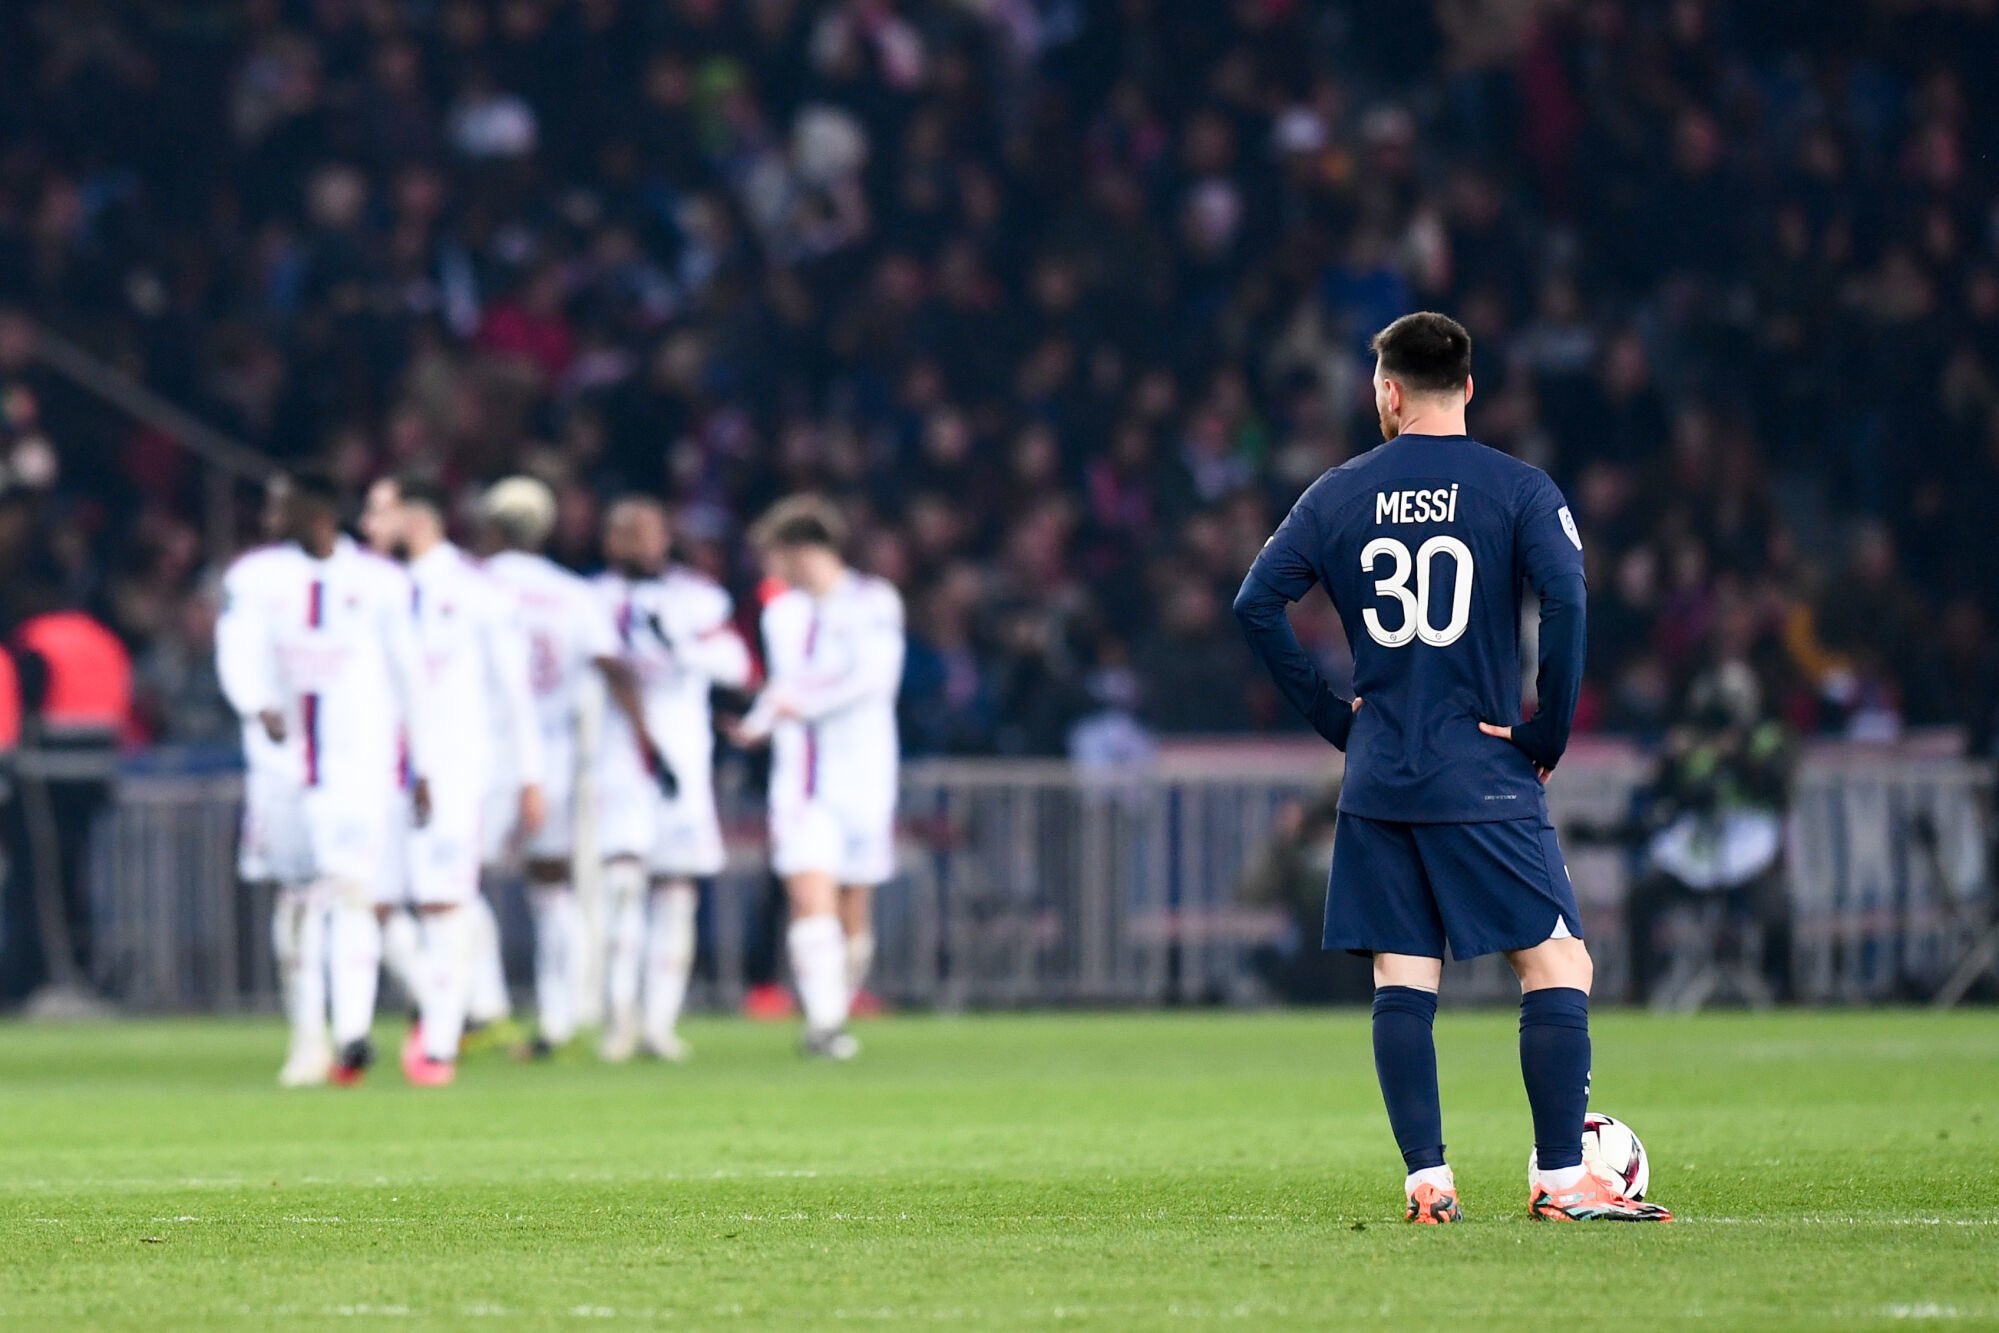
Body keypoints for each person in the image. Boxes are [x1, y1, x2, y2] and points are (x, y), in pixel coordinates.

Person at [1233, 311, 1671, 1223]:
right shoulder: (1518, 488)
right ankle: (1560, 1179)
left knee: (1403, 975)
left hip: (1380, 768)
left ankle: (1427, 1182)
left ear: (1386, 392)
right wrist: (1545, 732)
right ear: (1468, 387)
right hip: (1480, 767)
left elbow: (1255, 603)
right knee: (1557, 962)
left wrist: (1330, 719)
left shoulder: (1336, 491)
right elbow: (1565, 599)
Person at [215, 470, 436, 1087]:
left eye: (283, 502)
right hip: (280, 769)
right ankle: (307, 1037)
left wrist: (423, 762)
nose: (269, 513)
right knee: (295, 901)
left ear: (317, 511)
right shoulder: (254, 577)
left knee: (352, 892)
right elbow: (235, 647)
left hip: (355, 763)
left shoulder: (383, 583)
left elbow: (409, 672)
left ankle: (353, 1034)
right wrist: (255, 701)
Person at [359, 473, 545, 1085]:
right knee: (370, 903)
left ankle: (439, 1044)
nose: (367, 527)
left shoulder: (476, 591)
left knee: (444, 901)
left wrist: (529, 775)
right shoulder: (367, 591)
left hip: (456, 770)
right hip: (375, 767)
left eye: (379, 514)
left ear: (415, 518)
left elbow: (514, 689)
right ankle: (456, 1008)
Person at [476, 476, 661, 1058]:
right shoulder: (575, 594)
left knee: (453, 886)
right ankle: (563, 1017)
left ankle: (480, 1009)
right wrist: (646, 738)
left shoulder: (472, 587)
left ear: (493, 527)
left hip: (480, 751)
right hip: (554, 755)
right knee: (552, 886)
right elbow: (613, 666)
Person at [730, 497, 905, 1060]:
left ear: (802, 551)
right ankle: (824, 1026)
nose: (768, 568)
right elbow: (785, 686)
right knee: (810, 897)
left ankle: (835, 1006)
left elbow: (876, 679)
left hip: (866, 776)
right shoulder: (782, 614)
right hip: (803, 781)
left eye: (774, 555)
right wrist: (756, 724)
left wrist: (798, 708)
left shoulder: (874, 601)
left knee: (853, 907)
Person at [591, 497, 752, 1062]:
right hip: (620, 762)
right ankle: (619, 1021)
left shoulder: (700, 599)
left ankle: (660, 1023)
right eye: (621, 531)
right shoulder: (594, 599)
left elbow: (737, 665)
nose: (632, 542)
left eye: (643, 530)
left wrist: (681, 646)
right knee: (622, 885)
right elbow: (599, 666)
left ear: (664, 536)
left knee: (676, 894)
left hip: (683, 764)